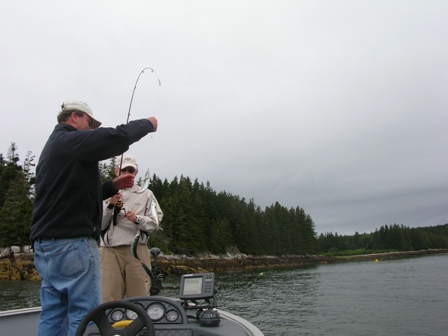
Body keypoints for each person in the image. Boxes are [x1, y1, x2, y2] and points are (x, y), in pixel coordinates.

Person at [30, 100, 158, 336]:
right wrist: (146, 125)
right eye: (90, 123)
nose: (90, 129)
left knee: (53, 312)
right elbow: (113, 137)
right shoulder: (70, 140)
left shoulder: (52, 150)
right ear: (75, 117)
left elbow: (73, 194)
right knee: (85, 312)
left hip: (45, 247)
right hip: (72, 244)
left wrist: (110, 186)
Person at [100, 154, 163, 302]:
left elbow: (155, 223)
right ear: (117, 172)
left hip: (137, 250)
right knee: (108, 297)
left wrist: (137, 219)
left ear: (136, 172)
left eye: (131, 170)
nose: (127, 174)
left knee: (139, 298)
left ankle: (139, 324)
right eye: (124, 170)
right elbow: (99, 224)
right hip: (110, 251)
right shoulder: (104, 193)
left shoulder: (147, 194)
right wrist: (109, 206)